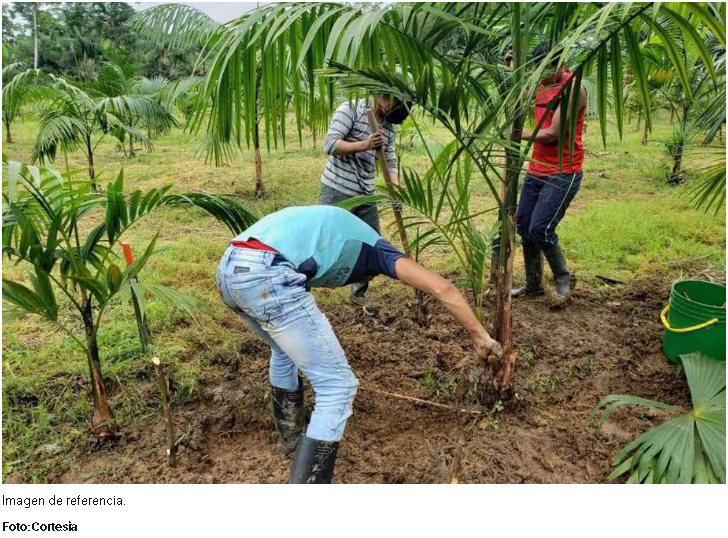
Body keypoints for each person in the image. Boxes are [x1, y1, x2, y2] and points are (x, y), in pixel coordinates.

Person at [216, 205, 502, 484]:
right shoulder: (378, 250)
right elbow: (442, 287)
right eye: (368, 277)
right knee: (337, 387)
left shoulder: (332, 232)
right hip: (267, 273)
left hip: (230, 270)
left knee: (282, 349)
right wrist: (480, 337)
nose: (364, 280)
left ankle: (290, 440)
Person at [507, 41, 587, 299]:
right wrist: (511, 68)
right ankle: (533, 285)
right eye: (537, 69)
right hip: (537, 168)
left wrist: (516, 134)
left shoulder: (573, 89)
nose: (541, 75)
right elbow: (517, 95)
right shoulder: (541, 83)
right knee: (524, 224)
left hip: (564, 171)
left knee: (541, 228)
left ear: (560, 64)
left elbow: (552, 134)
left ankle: (563, 280)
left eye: (546, 69)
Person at [318, 94, 410, 304]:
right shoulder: (350, 109)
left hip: (366, 191)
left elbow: (390, 159)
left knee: (371, 243)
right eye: (397, 102)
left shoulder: (388, 124)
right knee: (324, 242)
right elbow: (330, 145)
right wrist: (365, 144)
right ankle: (303, 284)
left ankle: (358, 293)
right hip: (338, 188)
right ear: (383, 96)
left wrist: (396, 190)